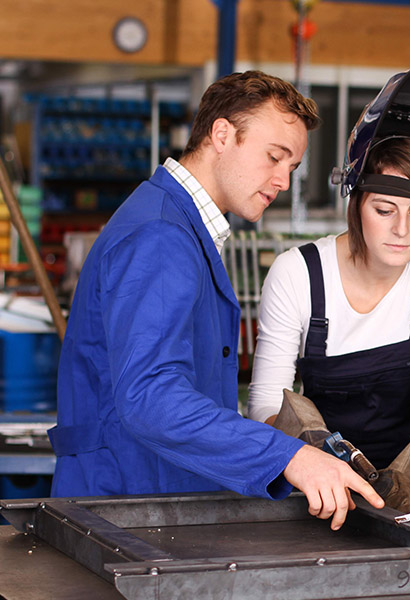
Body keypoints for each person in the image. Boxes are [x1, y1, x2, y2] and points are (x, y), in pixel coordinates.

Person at [48, 70, 383, 530]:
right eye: (274, 157)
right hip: (123, 505)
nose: (282, 181)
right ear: (222, 134)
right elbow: (150, 396)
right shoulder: (161, 235)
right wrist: (289, 457)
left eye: (292, 167)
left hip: (142, 499)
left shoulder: (179, 225)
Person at [248, 63, 410, 512]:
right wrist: (314, 458)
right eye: (384, 209)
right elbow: (265, 403)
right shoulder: (298, 273)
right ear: (355, 201)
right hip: (315, 489)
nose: (401, 230)